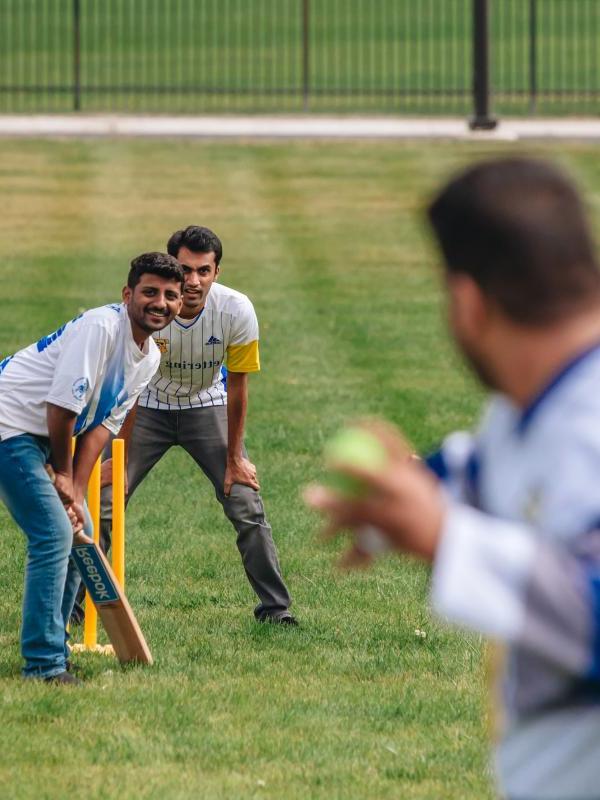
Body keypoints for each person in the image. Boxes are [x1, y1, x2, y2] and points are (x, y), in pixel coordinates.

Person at [307, 158, 600, 800]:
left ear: (467, 304)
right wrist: (401, 498)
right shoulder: (537, 405)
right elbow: (486, 469)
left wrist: (447, 538)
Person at [0, 252, 184, 683]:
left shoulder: (150, 356)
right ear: (128, 294)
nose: (160, 302)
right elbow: (62, 409)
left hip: (44, 430)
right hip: (10, 422)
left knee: (76, 522)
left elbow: (102, 426)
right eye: (150, 292)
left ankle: (55, 650)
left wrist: (77, 489)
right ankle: (43, 665)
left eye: (170, 296)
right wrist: (62, 475)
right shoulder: (101, 328)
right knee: (53, 533)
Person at [98, 226, 296, 624]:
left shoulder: (237, 310)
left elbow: (238, 386)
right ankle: (75, 607)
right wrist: (115, 457)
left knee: (245, 502)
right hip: (146, 403)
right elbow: (130, 384)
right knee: (103, 503)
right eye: (185, 270)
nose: (193, 281)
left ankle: (276, 610)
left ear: (216, 272)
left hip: (208, 403)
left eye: (203, 270)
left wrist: (235, 457)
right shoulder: (150, 308)